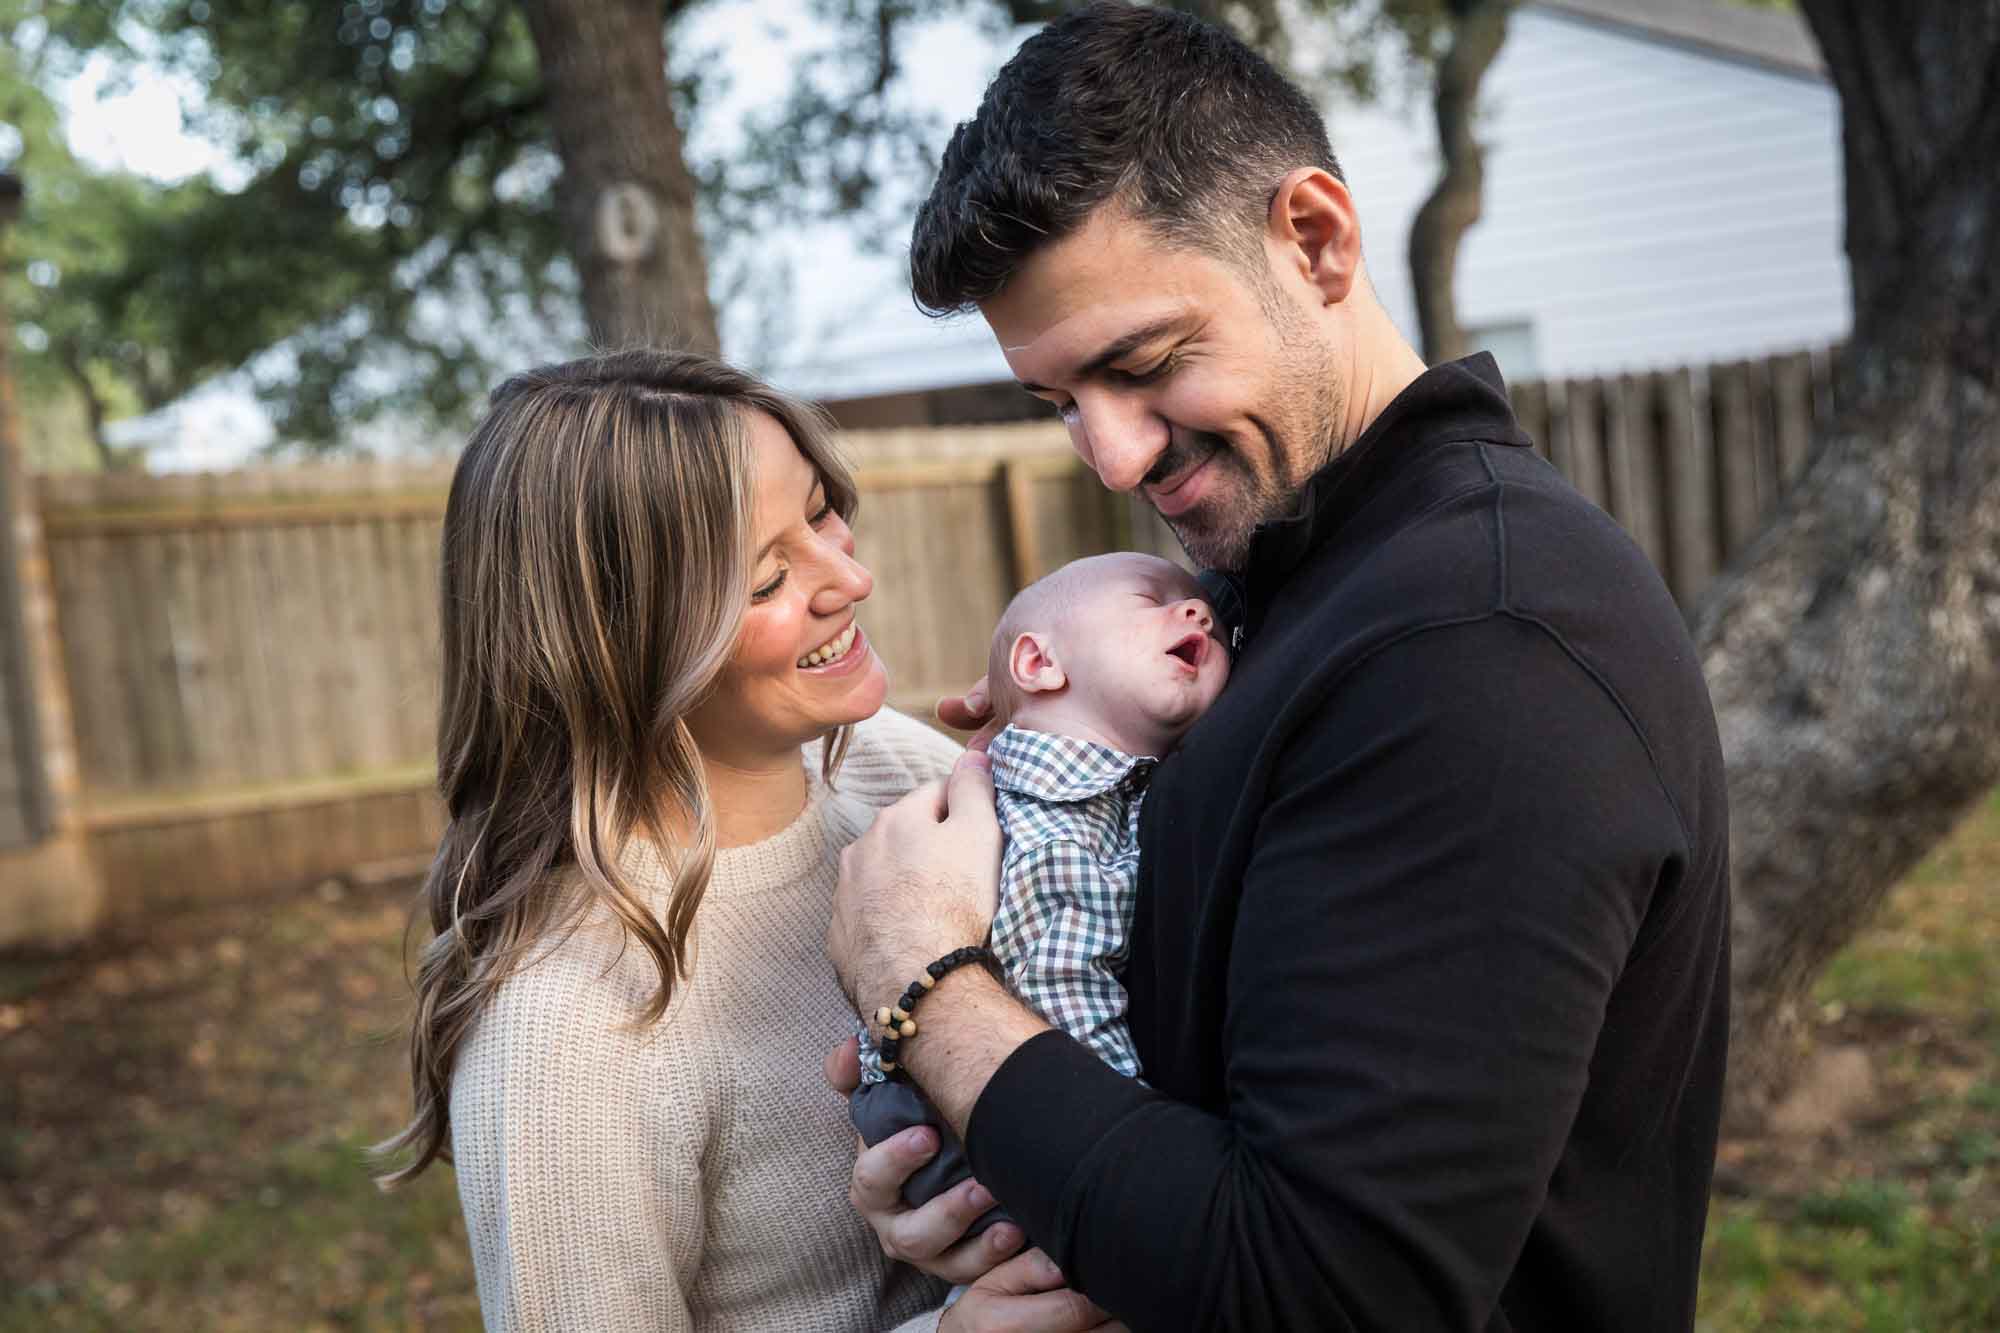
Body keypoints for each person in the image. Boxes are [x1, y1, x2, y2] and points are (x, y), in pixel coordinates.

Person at [824, 5, 1730, 1330]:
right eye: (1064, 402)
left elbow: (1320, 1291)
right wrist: (1001, 1176)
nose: (1112, 458)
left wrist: (932, 998)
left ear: (1315, 238)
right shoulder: (1300, 595)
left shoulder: (1479, 640)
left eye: (1142, 367)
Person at [377, 350, 1115, 1332]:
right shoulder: (565, 1030)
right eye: (768, 575)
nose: (848, 575)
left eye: (818, 512)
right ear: (621, 644)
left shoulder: (890, 769)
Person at [848, 553, 1229, 1229]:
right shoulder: (1056, 821)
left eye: (1213, 619)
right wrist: (1140, 1135)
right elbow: (1059, 986)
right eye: (1152, 600)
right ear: (1039, 664)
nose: (1199, 612)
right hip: (976, 1123)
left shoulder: (1105, 796)